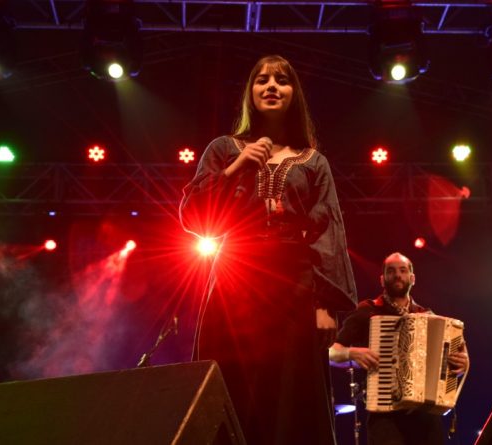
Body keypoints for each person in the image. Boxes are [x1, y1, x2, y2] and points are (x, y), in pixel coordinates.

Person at [180, 55, 357, 444]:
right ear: (250, 93)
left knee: (292, 393)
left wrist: (324, 304)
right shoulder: (224, 149)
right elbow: (195, 216)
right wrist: (236, 167)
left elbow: (328, 229)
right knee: (231, 380)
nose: (272, 86)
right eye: (262, 79)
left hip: (293, 284)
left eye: (282, 80)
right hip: (234, 281)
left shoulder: (314, 161)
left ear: (295, 94)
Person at [329, 252, 469, 445]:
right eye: (391, 271)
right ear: (382, 279)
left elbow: (453, 363)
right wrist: (351, 352)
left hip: (425, 416)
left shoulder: (427, 316)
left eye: (403, 271)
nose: (397, 275)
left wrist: (461, 365)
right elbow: (330, 353)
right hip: (385, 414)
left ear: (412, 278)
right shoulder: (367, 311)